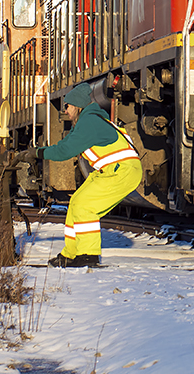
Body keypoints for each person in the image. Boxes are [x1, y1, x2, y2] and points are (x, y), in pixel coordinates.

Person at [17, 84, 142, 268]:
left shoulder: (90, 122)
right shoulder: (85, 121)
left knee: (85, 207)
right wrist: (36, 151)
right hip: (111, 171)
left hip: (122, 171)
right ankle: (71, 253)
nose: (65, 111)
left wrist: (37, 154)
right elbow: (64, 144)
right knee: (76, 203)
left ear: (76, 106)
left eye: (67, 106)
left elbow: (64, 151)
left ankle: (88, 255)